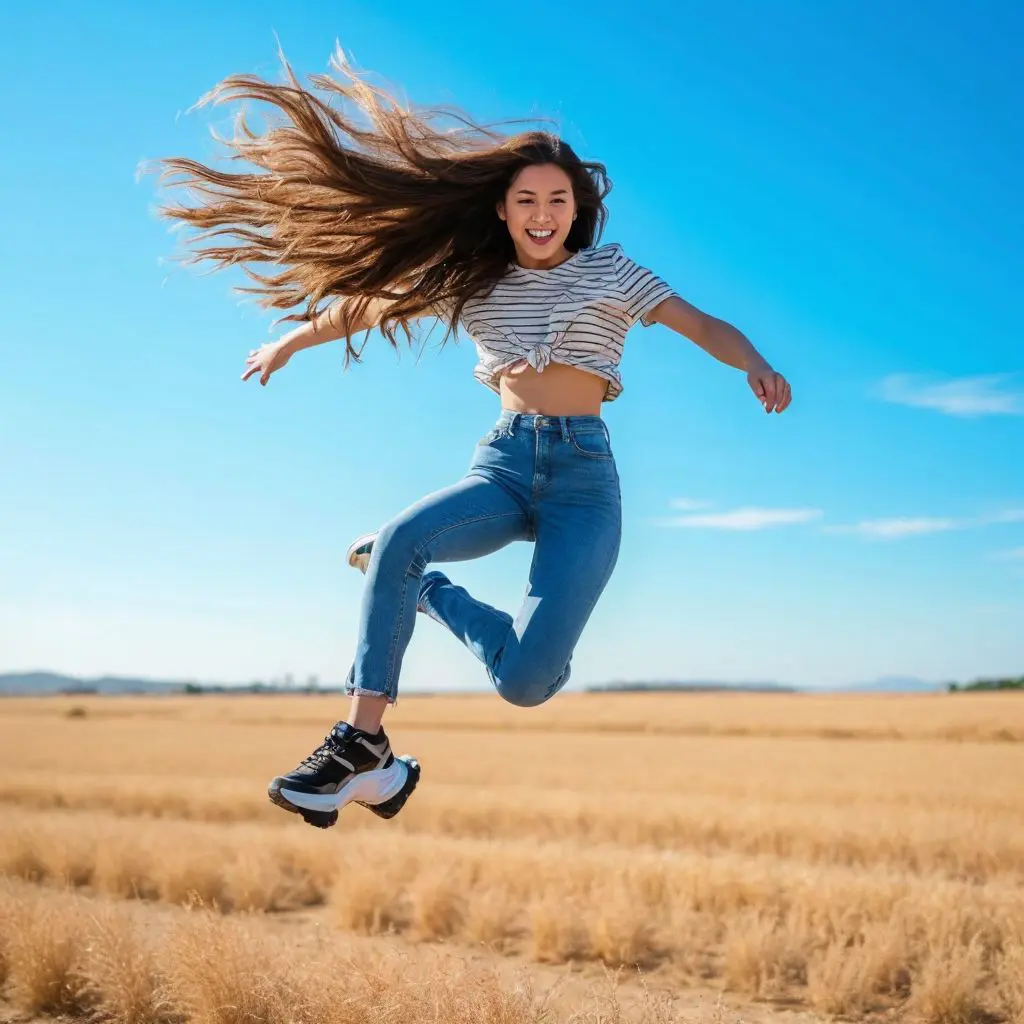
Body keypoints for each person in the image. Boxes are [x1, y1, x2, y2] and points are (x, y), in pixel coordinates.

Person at [153, 46, 792, 829]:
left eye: (558, 199)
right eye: (526, 200)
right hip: (503, 465)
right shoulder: (475, 279)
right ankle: (363, 745)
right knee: (396, 539)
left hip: (585, 482)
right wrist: (291, 341)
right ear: (502, 208)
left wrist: (753, 361)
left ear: (577, 208)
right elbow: (369, 308)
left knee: (526, 680)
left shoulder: (614, 272)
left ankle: (432, 596)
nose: (543, 214)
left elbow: (701, 323)